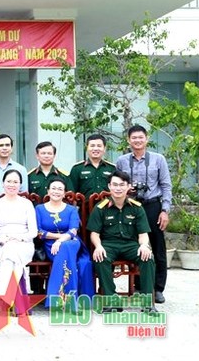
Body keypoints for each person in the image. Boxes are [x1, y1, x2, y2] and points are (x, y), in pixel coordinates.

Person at [115, 125, 172, 304]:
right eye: (134, 138)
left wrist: (165, 210)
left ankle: (158, 289)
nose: (137, 141)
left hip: (152, 205)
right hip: (130, 206)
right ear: (128, 140)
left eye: (141, 137)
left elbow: (166, 186)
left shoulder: (158, 159)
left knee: (157, 248)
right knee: (135, 246)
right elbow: (116, 183)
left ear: (146, 139)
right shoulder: (122, 161)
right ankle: (140, 286)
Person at [88, 171, 156, 312]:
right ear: (109, 186)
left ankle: (148, 302)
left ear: (128, 187)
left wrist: (144, 245)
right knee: (100, 258)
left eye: (121, 185)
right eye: (115, 185)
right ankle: (111, 300)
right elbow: (94, 233)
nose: (118, 188)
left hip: (131, 245)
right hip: (109, 245)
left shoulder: (136, 207)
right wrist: (98, 246)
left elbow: (143, 233)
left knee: (147, 257)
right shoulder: (100, 208)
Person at [34, 177, 94, 312]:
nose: (56, 191)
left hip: (71, 242)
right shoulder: (39, 209)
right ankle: (70, 301)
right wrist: (58, 238)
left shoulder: (71, 209)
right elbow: (39, 232)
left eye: (60, 189)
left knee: (67, 246)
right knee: (68, 258)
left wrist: (61, 241)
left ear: (65, 192)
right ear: (48, 191)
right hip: (50, 245)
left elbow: (73, 230)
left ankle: (58, 300)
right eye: (53, 188)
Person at [0, 169, 37, 302]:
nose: (12, 184)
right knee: (10, 253)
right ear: (3, 183)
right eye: (9, 181)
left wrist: (19, 238)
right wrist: (2, 240)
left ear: (20, 185)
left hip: (24, 243)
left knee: (12, 252)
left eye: (15, 182)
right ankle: (16, 299)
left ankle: (0, 291)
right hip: (4, 242)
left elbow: (33, 232)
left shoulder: (27, 204)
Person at [69, 133, 116, 198]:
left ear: (104, 148)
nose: (95, 149)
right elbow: (72, 192)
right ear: (87, 148)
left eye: (99, 146)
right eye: (92, 146)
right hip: (84, 207)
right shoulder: (77, 169)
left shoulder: (112, 168)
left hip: (107, 206)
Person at [0, 134, 28, 201]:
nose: (4, 148)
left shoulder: (21, 169)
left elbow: (24, 193)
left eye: (7, 145)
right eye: (1, 145)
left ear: (11, 148)